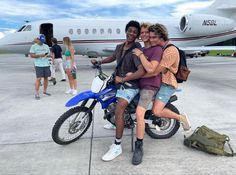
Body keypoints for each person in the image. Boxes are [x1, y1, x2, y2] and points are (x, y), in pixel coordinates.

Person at [91, 20, 145, 161]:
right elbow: (113, 57)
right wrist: (100, 61)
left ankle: (117, 146)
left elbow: (141, 71)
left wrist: (123, 79)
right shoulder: (119, 46)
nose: (131, 33)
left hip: (130, 84)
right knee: (108, 99)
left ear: (137, 35)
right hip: (117, 80)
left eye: (135, 32)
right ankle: (116, 121)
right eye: (130, 30)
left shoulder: (137, 49)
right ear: (126, 31)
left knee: (119, 109)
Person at [147, 24, 191, 133]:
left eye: (154, 37)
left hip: (167, 84)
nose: (151, 40)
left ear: (161, 37)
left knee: (156, 111)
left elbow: (156, 70)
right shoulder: (161, 48)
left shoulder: (170, 50)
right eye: (150, 37)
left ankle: (181, 118)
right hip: (161, 83)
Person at [131, 23, 163, 165]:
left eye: (145, 32)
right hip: (139, 83)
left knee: (139, 113)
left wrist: (141, 54)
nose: (143, 35)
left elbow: (150, 69)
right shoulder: (142, 49)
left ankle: (139, 146)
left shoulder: (156, 49)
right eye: (141, 33)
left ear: (150, 34)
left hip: (150, 86)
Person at [29, 34, 51, 100]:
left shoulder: (46, 46)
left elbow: (49, 53)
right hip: (38, 64)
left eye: (43, 41)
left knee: (46, 78)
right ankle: (37, 93)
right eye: (41, 41)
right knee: (38, 79)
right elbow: (32, 55)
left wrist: (47, 55)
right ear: (38, 39)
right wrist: (39, 55)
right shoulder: (33, 46)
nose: (42, 42)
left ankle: (45, 91)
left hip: (46, 64)